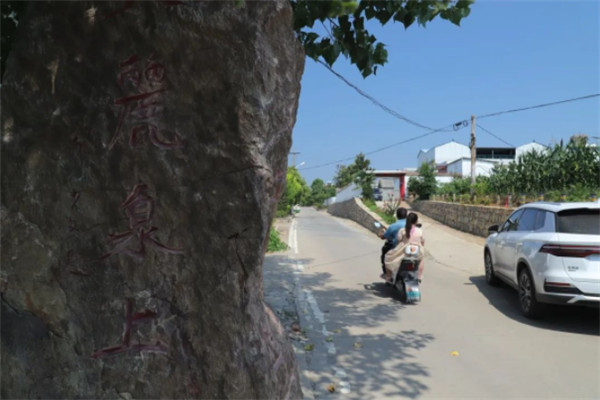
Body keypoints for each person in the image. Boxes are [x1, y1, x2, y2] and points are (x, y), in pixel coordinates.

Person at [383, 212, 425, 282]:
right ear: (416, 221)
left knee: (388, 257)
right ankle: (419, 276)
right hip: (416, 250)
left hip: (404, 250)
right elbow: (422, 242)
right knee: (420, 260)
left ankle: (389, 276)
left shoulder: (403, 230)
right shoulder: (420, 231)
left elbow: (398, 240)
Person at [377, 207, 408, 277]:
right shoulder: (411, 225)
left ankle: (387, 274)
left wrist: (380, 233)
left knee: (385, 256)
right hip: (409, 248)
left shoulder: (393, 226)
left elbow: (383, 237)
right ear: (406, 215)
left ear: (397, 215)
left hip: (396, 247)